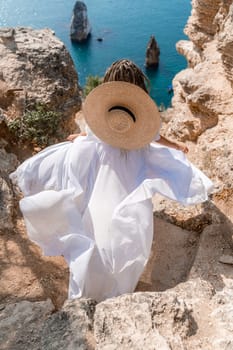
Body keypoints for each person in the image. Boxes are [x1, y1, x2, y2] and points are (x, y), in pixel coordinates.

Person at [10, 59, 213, 302]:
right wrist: (176, 145)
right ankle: (119, 280)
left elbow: (93, 131)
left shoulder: (105, 109)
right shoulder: (140, 115)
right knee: (131, 222)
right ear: (138, 86)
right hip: (131, 172)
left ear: (109, 84)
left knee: (96, 217)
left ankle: (93, 278)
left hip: (104, 170)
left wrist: (80, 136)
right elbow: (156, 136)